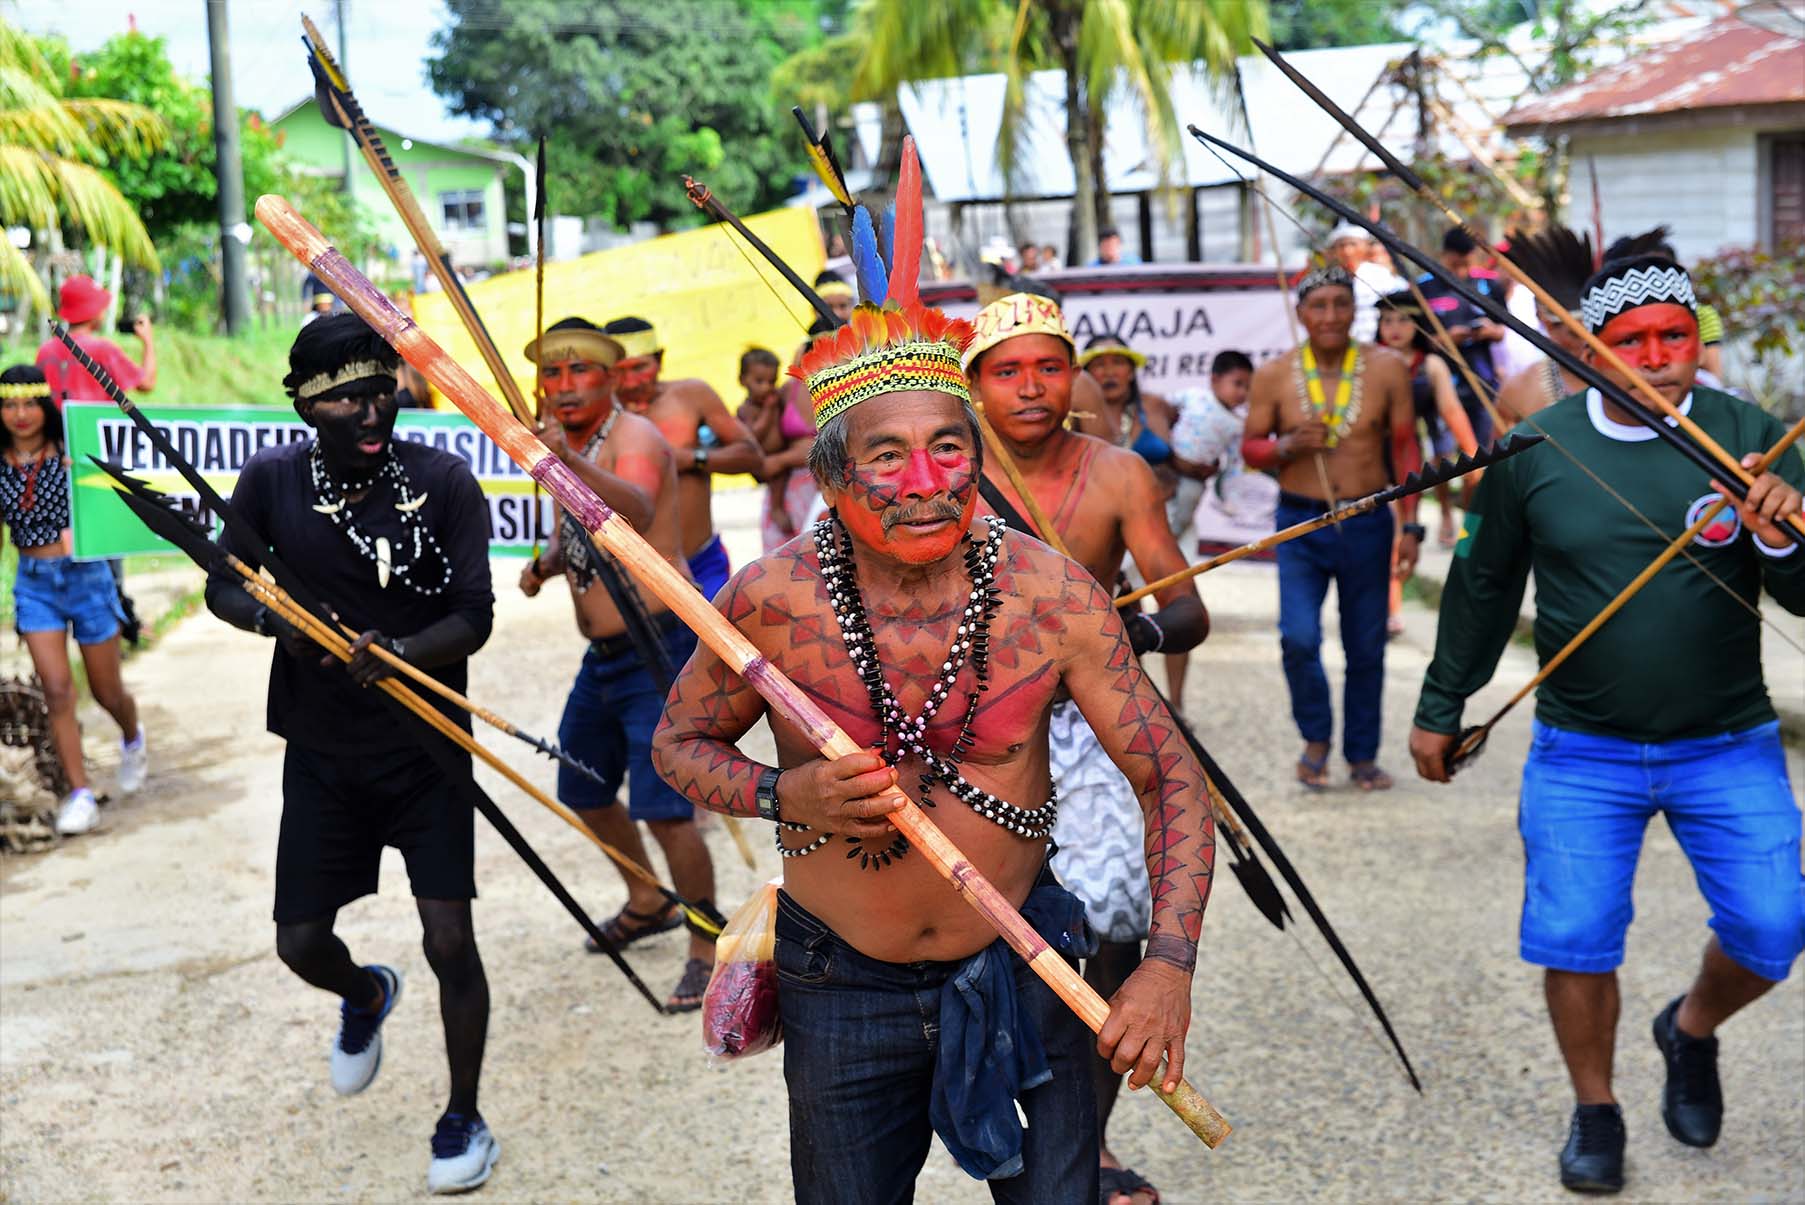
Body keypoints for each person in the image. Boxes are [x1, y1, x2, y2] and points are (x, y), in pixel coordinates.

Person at [650, 295, 1216, 1205]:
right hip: (837, 978)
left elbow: (1170, 777)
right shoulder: (772, 599)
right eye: (886, 455)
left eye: (948, 450)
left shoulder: (1051, 594)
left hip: (1025, 962)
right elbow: (678, 743)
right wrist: (784, 790)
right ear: (832, 479)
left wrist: (1166, 963)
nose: (925, 481)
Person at [1407, 254, 1805, 1196]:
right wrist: (1439, 705)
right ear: (1588, 350)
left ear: (1697, 341)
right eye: (1633, 342)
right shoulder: (1533, 448)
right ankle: (1596, 1106)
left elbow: (1801, 591)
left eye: (1677, 336)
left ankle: (1689, 1028)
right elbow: (1480, 585)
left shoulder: (1748, 433)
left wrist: (1781, 530)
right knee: (1574, 935)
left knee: (1774, 926)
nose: (1660, 357)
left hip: (1728, 741)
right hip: (1580, 750)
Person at [200, 315, 500, 1193]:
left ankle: (463, 1115)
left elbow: (473, 616)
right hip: (323, 748)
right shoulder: (270, 480)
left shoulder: (445, 481)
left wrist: (401, 654)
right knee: (298, 941)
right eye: (346, 399)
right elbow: (222, 579)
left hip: (428, 747)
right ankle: (366, 993)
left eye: (382, 391)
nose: (372, 412)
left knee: (450, 937)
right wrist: (271, 620)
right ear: (305, 405)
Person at [965, 292, 1208, 1205]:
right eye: (1005, 370)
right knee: (980, 940)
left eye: (1046, 366)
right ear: (974, 385)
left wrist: (1119, 639)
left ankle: (1089, 1148)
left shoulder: (1118, 473)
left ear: (1072, 375)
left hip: (1098, 730)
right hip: (981, 733)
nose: (1029, 387)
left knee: (1105, 944)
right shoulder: (949, 471)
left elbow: (1186, 609)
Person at [517, 317, 720, 1011]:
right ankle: (645, 898)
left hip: (656, 642)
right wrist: (546, 566)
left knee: (666, 811)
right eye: (552, 374)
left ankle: (705, 938)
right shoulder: (568, 442)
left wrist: (561, 463)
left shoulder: (631, 436)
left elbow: (627, 508)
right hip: (602, 655)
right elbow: (573, 529)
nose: (565, 386)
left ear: (608, 376)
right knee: (584, 788)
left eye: (580, 372)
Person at [1242, 265, 1422, 791]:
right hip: (1300, 521)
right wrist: (1286, 447)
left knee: (1366, 645)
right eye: (1318, 306)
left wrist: (1411, 527)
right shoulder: (1275, 374)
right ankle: (1316, 737)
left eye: (1341, 304)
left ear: (1354, 310)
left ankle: (1362, 755)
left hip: (1367, 519)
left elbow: (1406, 447)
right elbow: (1250, 448)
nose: (1330, 317)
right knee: (1298, 638)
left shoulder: (1387, 368)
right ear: (1300, 314)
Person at [1, 366, 145, 836]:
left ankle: (131, 735)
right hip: (34, 583)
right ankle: (79, 793)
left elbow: (114, 498)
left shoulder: (72, 451)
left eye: (28, 403)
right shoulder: (0, 462)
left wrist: (84, 474)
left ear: (45, 406)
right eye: (8, 404)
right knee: (58, 692)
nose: (19, 415)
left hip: (86, 578)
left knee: (107, 692)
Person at [600, 316, 762, 600]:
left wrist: (689, 459)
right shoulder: (599, 416)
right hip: (633, 572)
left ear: (659, 360)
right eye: (619, 372)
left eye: (640, 367)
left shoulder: (691, 396)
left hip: (702, 562)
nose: (630, 382)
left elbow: (751, 455)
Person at [1162, 350, 1254, 704]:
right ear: (1214, 380)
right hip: (1166, 478)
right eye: (1237, 384)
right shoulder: (1192, 397)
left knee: (1177, 523)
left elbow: (1230, 465)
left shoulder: (1236, 424)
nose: (1242, 393)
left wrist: (1222, 488)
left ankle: (1175, 703)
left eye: (1247, 387)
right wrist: (1168, 455)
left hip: (1193, 487)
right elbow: (1164, 411)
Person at [1373, 291, 1478, 547]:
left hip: (1423, 438)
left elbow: (1451, 410)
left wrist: (1474, 455)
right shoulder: (1369, 361)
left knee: (1451, 468)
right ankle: (1396, 559)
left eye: (1403, 320)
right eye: (1387, 321)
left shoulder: (1431, 364)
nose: (1395, 328)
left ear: (1418, 324)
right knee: (1391, 513)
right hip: (1380, 446)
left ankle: (1452, 522)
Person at [1494, 225, 1596, 434]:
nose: (1582, 340)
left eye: (1588, 327)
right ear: (1544, 320)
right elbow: (1498, 462)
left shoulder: (1627, 381)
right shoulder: (1519, 389)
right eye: (1571, 332)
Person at [1414, 226, 1505, 449]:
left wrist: (1487, 331)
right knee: (1443, 453)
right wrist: (1446, 339)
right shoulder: (1423, 288)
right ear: (1443, 256)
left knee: (1484, 449)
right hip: (1441, 383)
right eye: (1455, 265)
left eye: (1467, 264)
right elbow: (1418, 340)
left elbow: (1502, 329)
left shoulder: (1488, 284)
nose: (1461, 272)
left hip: (1481, 380)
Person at [737, 346, 821, 553]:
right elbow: (752, 436)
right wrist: (768, 410)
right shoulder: (746, 409)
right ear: (742, 380)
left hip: (785, 462)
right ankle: (776, 508)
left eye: (771, 382)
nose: (767, 388)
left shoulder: (780, 396)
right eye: (759, 382)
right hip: (770, 459)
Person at [35, 276, 156, 405]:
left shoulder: (45, 351)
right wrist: (148, 340)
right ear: (94, 312)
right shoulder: (103, 350)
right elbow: (146, 383)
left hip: (57, 425)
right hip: (92, 424)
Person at [1327, 222, 1401, 344]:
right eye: (1341, 246)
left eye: (1353, 244)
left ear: (1365, 246)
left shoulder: (1381, 275)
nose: (1347, 251)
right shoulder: (1330, 279)